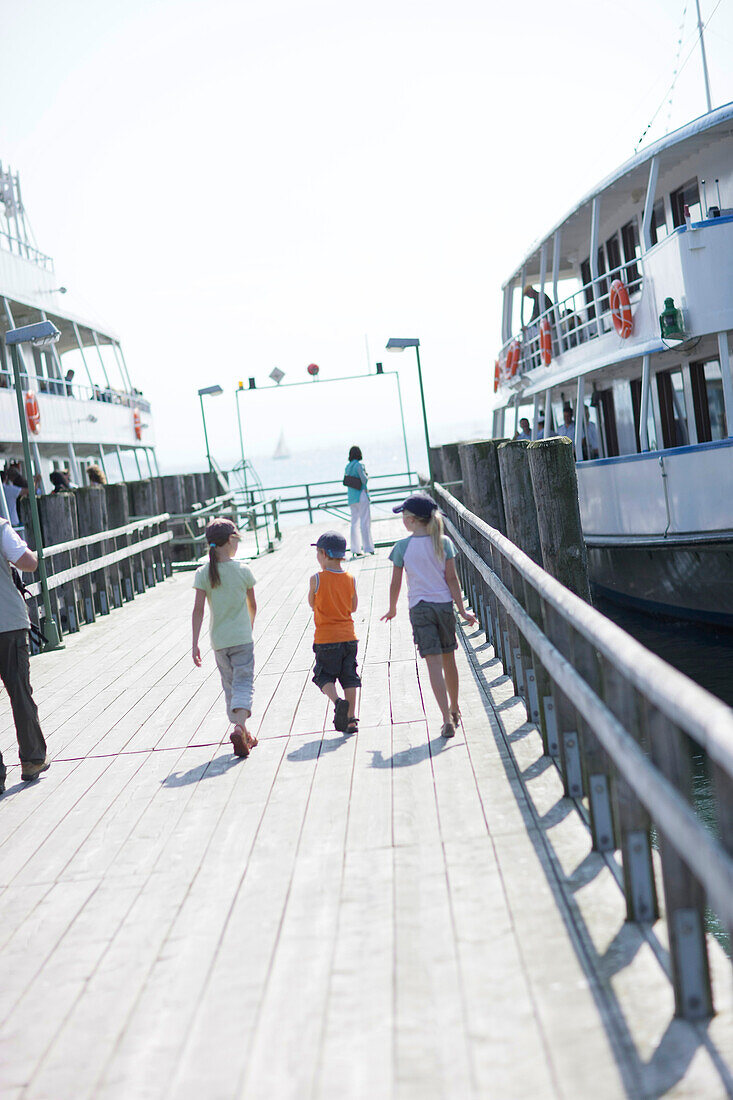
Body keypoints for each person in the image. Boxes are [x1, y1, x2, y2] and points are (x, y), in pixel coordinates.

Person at [382, 493, 476, 740]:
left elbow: (395, 584)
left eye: (404, 516)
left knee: (433, 665)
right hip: (444, 607)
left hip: (420, 609)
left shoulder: (402, 548)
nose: (403, 520)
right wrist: (463, 610)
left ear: (411, 520)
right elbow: (452, 580)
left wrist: (392, 608)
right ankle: (455, 708)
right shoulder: (443, 543)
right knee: (449, 661)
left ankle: (446, 719)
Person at [192, 517, 258, 758]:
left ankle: (244, 734)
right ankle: (240, 727)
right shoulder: (243, 570)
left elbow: (198, 610)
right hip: (241, 638)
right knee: (244, 684)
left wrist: (194, 643)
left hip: (219, 641)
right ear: (231, 541)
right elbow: (253, 605)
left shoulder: (202, 573)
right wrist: (248, 628)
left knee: (230, 686)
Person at [0, 517, 50, 792]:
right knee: (19, 692)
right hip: (7, 622)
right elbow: (28, 562)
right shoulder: (0, 527)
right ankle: (32, 760)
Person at [308, 531, 360, 735]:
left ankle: (338, 702)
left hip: (325, 639)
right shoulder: (351, 579)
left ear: (322, 553)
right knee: (349, 677)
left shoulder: (316, 579)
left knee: (324, 675)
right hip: (349, 637)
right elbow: (354, 607)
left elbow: (312, 604)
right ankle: (351, 719)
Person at [343, 445, 374, 557]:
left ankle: (355, 549)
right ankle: (368, 547)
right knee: (365, 522)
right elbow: (364, 480)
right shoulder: (359, 465)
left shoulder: (347, 467)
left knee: (354, 523)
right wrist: (367, 475)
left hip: (351, 497)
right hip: (361, 495)